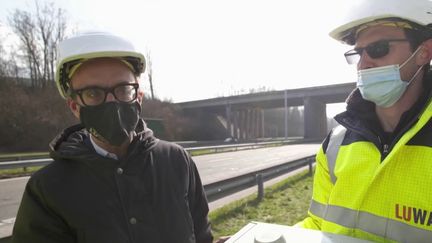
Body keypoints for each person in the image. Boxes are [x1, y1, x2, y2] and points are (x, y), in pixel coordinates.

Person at [12, 31, 213, 243]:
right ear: (74, 107)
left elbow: (201, 235)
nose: (111, 104)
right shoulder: (47, 189)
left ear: (139, 97)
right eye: (93, 93)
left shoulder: (177, 160)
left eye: (123, 89)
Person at [296, 0, 432, 242]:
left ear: (423, 53)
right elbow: (318, 224)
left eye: (378, 49)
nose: (364, 63)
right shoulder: (335, 145)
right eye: (358, 53)